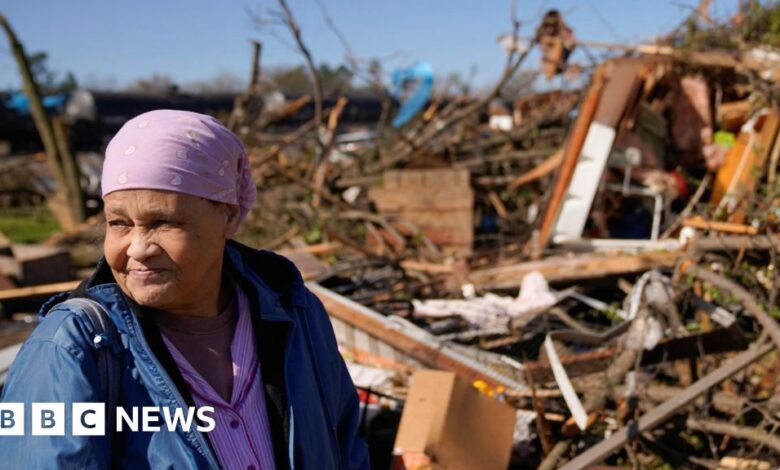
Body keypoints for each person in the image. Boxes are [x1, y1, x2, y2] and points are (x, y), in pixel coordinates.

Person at [0, 109, 369, 469]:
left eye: (162, 222)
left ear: (227, 214)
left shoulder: (294, 311)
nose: (138, 248)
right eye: (119, 223)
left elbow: (346, 446)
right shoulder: (74, 347)